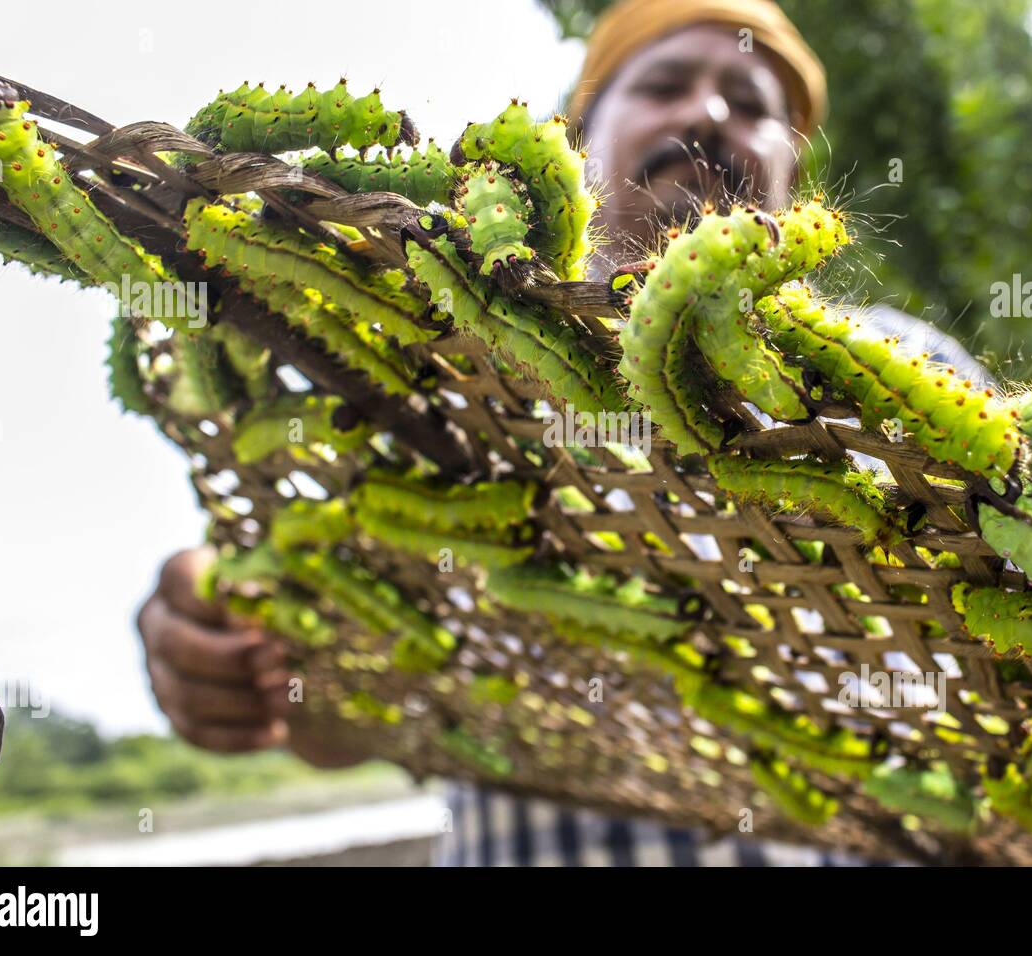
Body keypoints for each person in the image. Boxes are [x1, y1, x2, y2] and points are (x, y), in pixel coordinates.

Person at [136, 0, 980, 866]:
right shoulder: (429, 373)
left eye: (754, 104)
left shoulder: (905, 370)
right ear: (578, 140)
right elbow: (336, 718)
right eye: (662, 84)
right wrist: (232, 644)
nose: (708, 114)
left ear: (797, 181)